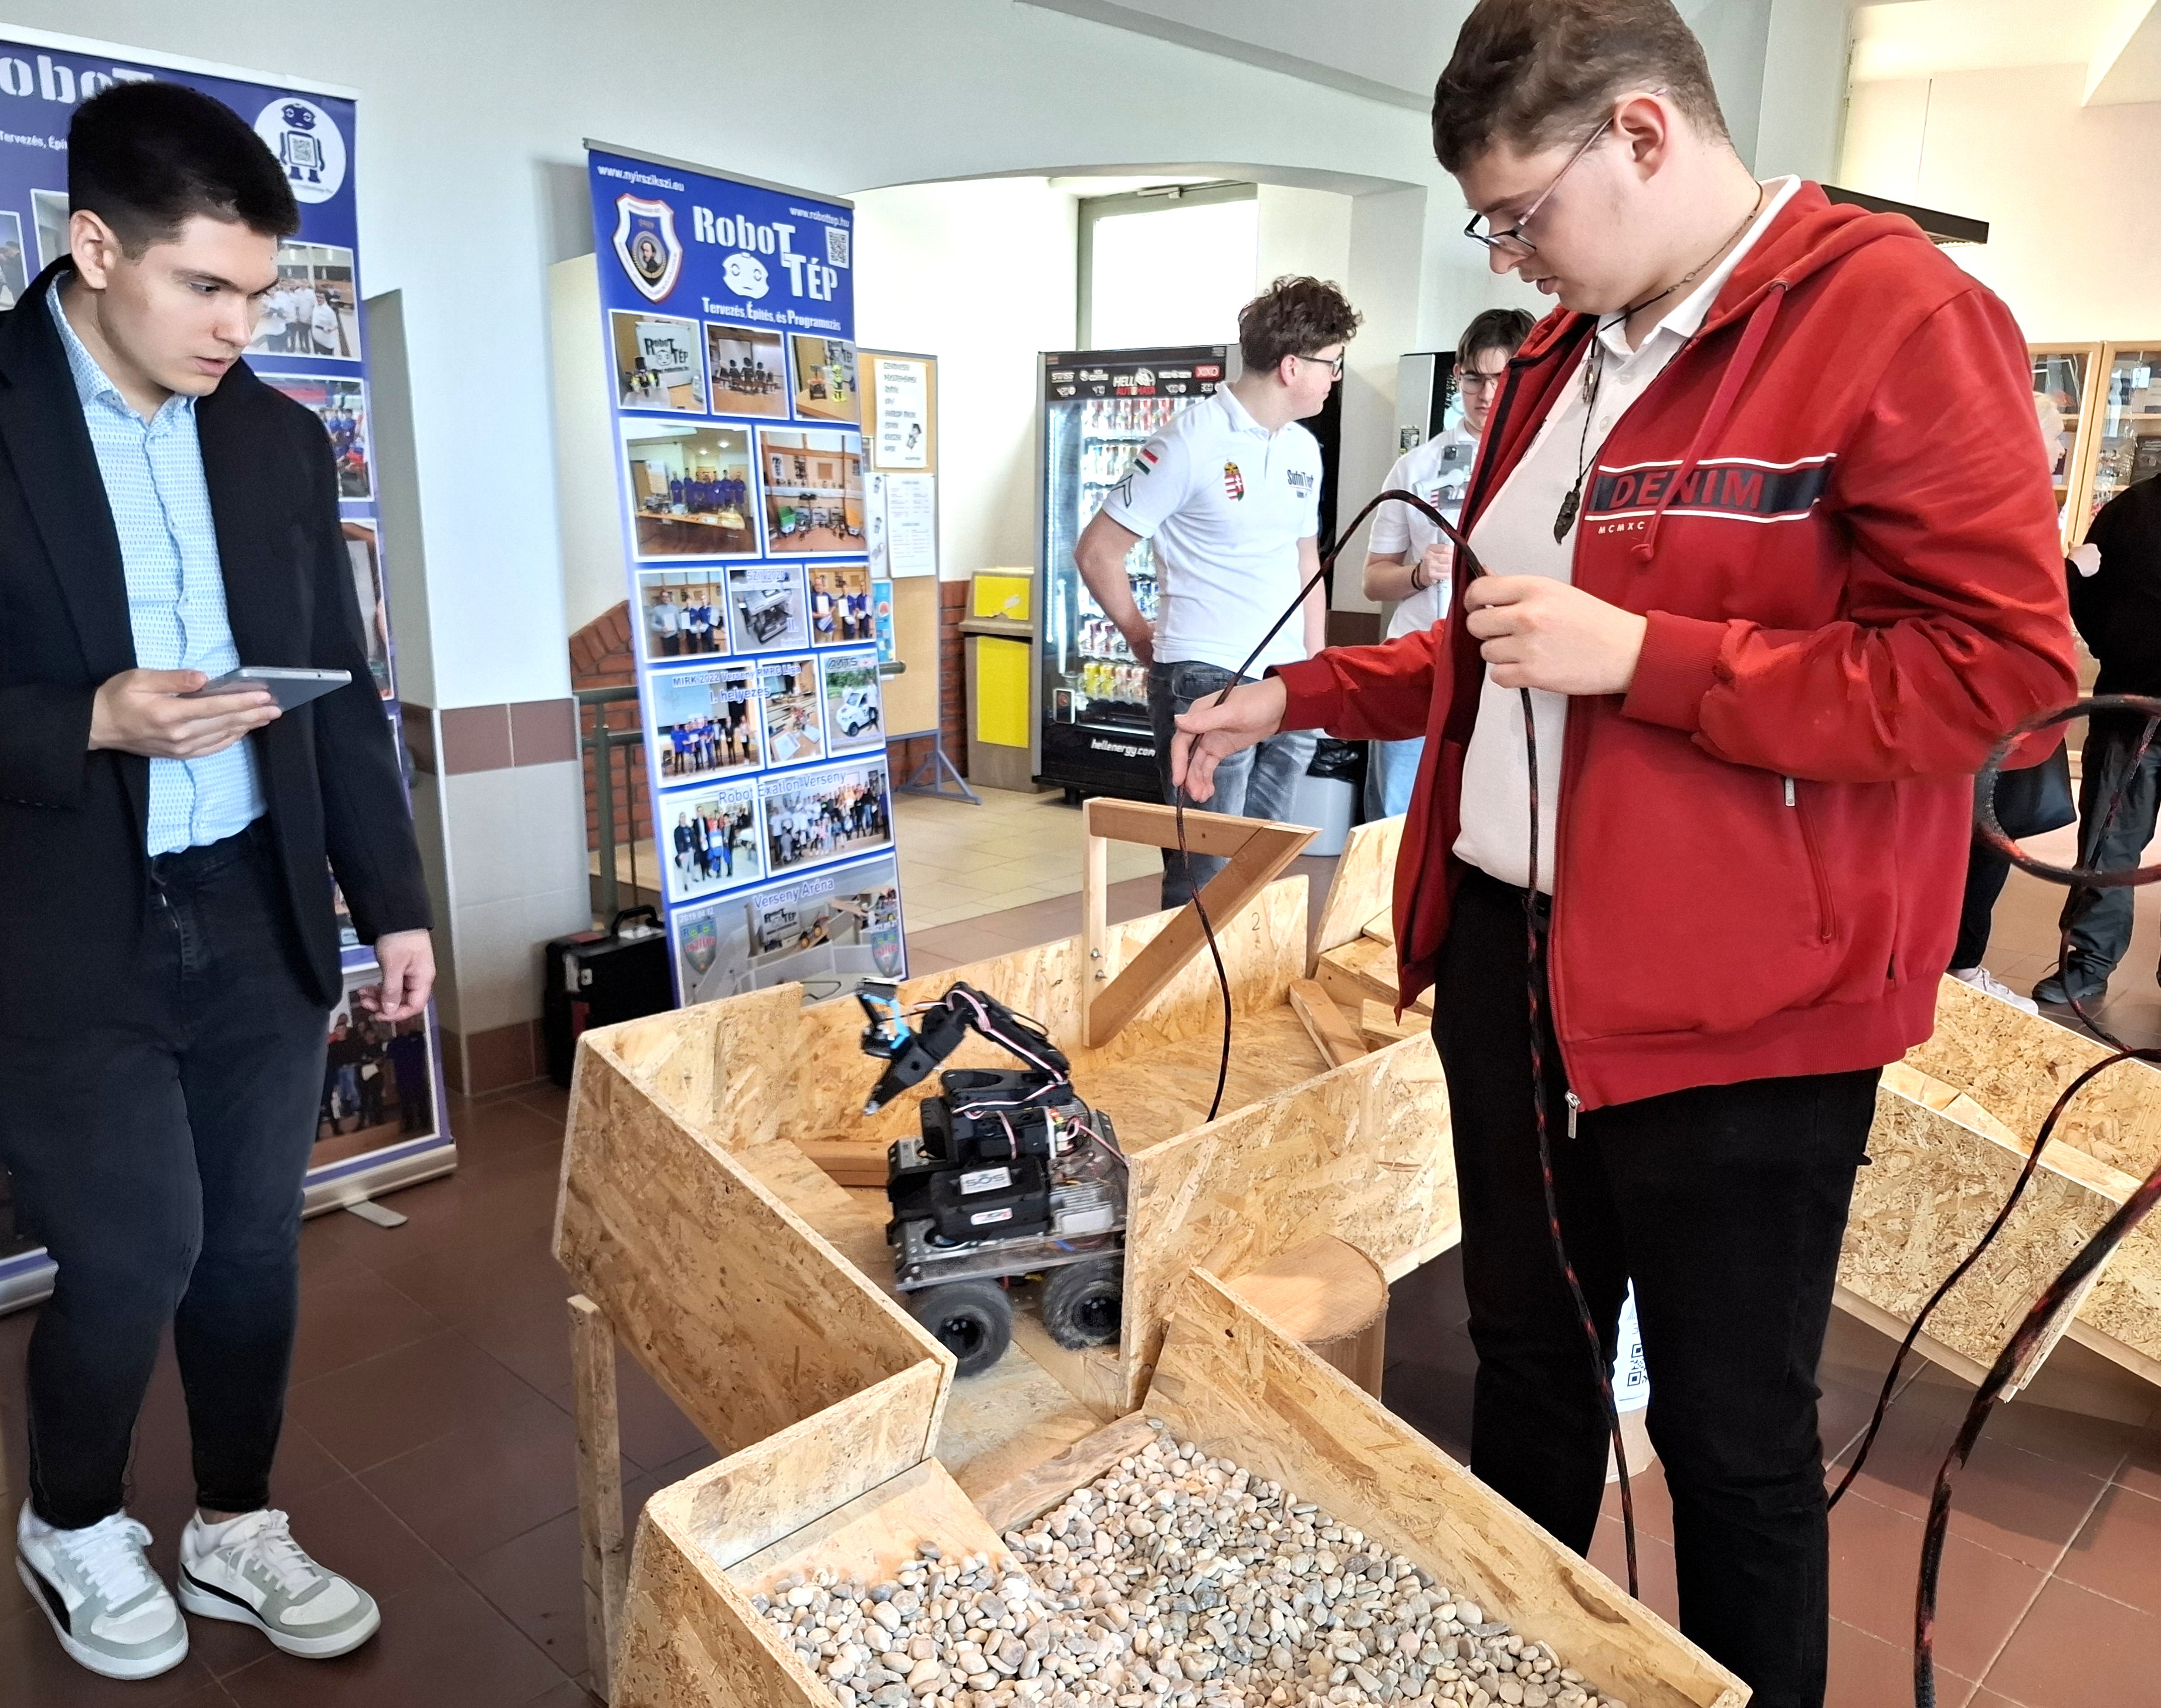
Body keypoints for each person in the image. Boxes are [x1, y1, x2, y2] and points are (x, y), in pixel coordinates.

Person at [1169, 5, 2074, 1703]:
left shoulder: (1895, 319)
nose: (1510, 256)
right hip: (1511, 960)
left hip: (1747, 1007)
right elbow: (1494, 645)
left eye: (1520, 215)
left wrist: (1654, 660)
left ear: (1642, 135)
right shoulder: (1557, 360)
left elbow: (2002, 675)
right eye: (1492, 228)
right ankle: (1509, 1671)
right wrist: (1298, 690)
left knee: (1731, 1434)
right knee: (1527, 1366)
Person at [0, 83, 434, 1680]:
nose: (239, 326)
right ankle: (71, 1522)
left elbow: (345, 690)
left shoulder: (274, 438)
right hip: (61, 927)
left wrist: (393, 900)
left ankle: (234, 1522)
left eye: (258, 290)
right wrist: (86, 718)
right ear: (95, 244)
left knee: (252, 1248)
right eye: (205, 285)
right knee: (133, 1258)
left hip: (254, 903)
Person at [1077, 273, 1357, 907]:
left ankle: (1242, 975)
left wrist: (1317, 665)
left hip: (1287, 680)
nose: (1335, 377)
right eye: (1332, 363)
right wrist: (1139, 634)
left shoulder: (1303, 448)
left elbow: (1305, 562)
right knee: (1204, 879)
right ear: (1292, 366)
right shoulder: (1187, 441)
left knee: (1261, 868)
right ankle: (1188, 976)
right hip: (1206, 676)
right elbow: (1097, 551)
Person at [1363, 306, 1534, 818]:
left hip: (1507, 665)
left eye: (1501, 379)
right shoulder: (1417, 466)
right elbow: (1374, 580)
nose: (1486, 395)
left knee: (1490, 817)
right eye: (1475, 379)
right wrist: (1419, 574)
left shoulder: (1546, 462)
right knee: (1396, 816)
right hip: (1419, 660)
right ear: (1457, 376)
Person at [2038, 469, 2161, 1006]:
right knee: (2108, 848)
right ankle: (2088, 961)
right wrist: (2120, 648)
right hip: (2127, 713)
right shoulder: (2131, 510)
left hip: (2130, 704)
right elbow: (2085, 591)